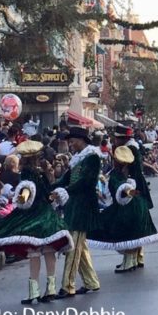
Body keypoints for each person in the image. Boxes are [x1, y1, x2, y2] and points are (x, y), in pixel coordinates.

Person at [0, 140, 73, 304]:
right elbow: (46, 193)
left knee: (34, 252)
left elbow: (27, 188)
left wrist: (23, 196)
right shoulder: (42, 172)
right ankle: (51, 287)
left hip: (33, 215)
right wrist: (51, 196)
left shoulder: (27, 172)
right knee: (48, 250)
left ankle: (34, 292)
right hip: (47, 214)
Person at [87, 146, 158, 272]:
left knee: (125, 232)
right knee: (133, 233)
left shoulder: (117, 174)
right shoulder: (132, 171)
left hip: (128, 207)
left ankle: (129, 261)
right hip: (138, 205)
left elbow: (119, 186)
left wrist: (127, 190)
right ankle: (133, 259)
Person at [53, 127, 102, 299]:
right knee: (80, 246)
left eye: (72, 141)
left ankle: (68, 286)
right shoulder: (77, 159)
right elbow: (65, 179)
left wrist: (64, 190)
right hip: (73, 206)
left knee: (73, 247)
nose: (71, 145)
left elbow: (86, 181)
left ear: (81, 139)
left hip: (84, 207)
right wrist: (49, 187)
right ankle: (91, 282)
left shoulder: (93, 157)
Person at [112, 125, 153, 269]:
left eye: (116, 138)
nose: (114, 140)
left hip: (131, 188)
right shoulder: (131, 148)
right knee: (137, 223)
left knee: (130, 223)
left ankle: (130, 259)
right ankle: (137, 257)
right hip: (135, 186)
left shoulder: (128, 150)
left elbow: (129, 171)